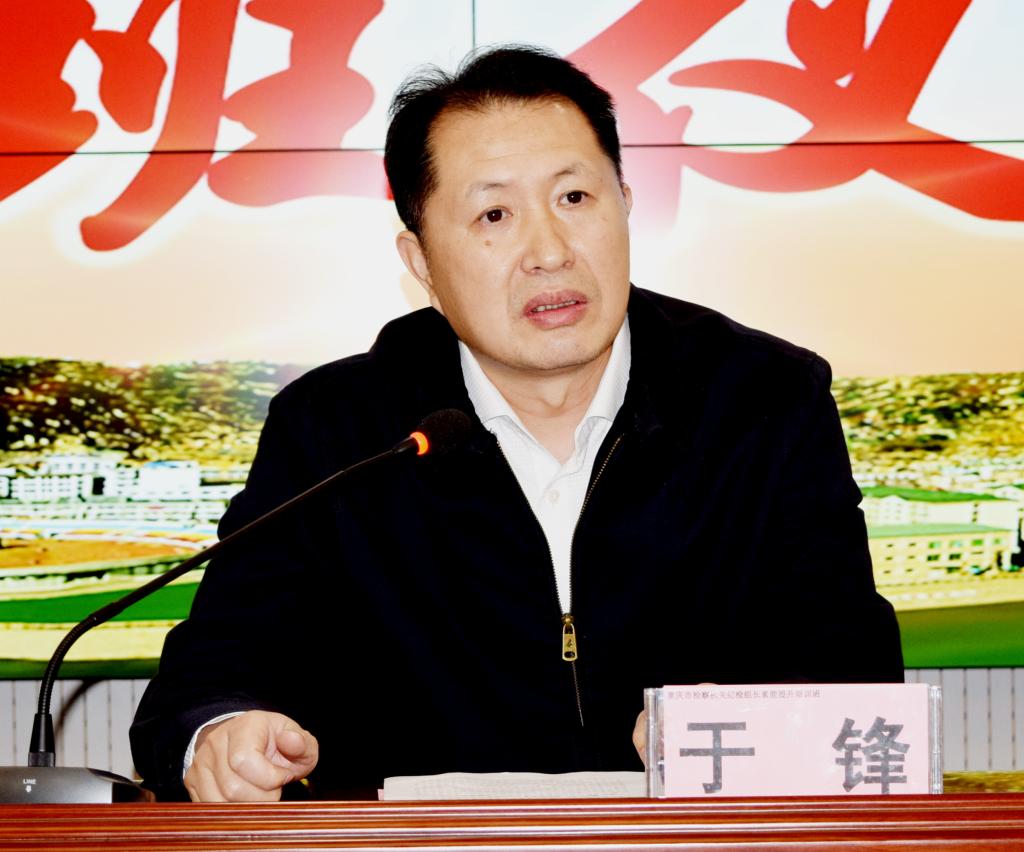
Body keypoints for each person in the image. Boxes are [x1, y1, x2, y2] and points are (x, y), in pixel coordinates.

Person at [130, 46, 903, 802]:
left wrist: (751, 722)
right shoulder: (337, 429)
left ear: (626, 205)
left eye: (575, 198)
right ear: (422, 263)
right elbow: (206, 682)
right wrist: (222, 735)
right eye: (494, 213)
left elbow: (855, 676)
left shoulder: (763, 399)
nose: (550, 252)